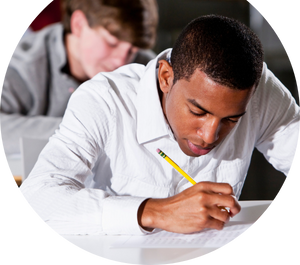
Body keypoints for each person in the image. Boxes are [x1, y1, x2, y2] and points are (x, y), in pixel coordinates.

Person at [18, 15, 299, 236]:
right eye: (197, 111)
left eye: (231, 120)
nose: (209, 135)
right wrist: (153, 212)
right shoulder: (104, 100)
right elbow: (37, 199)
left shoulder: (259, 89)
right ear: (166, 77)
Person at [0, 0, 158, 155]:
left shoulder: (144, 66)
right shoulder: (22, 65)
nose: (121, 61)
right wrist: (89, 127)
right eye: (111, 43)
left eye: (132, 49)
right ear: (78, 25)